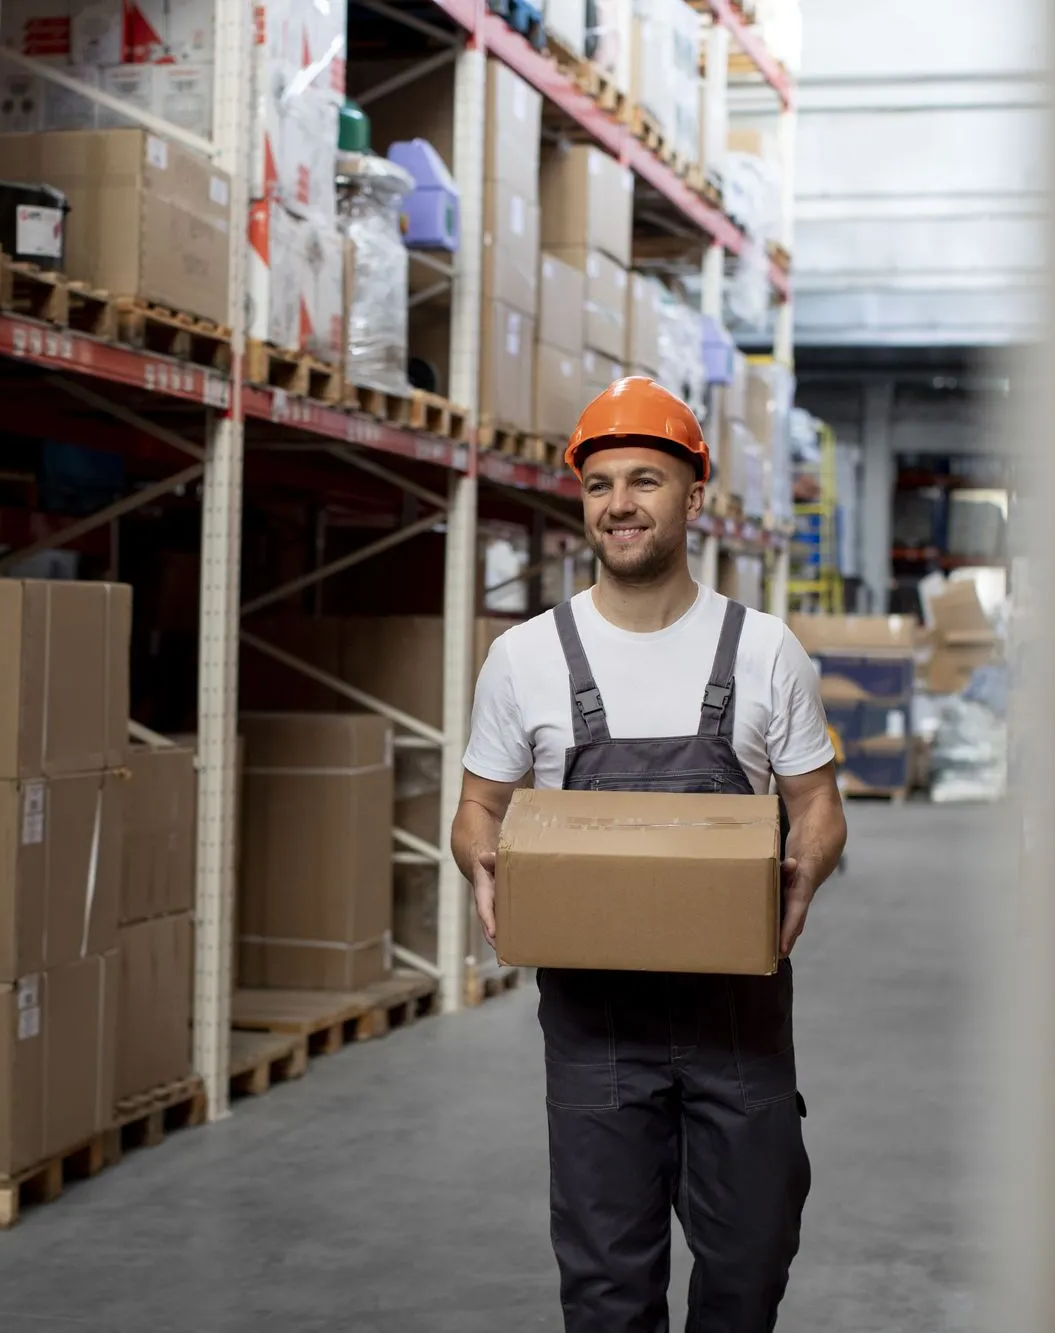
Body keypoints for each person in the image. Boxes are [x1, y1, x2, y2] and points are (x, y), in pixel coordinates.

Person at [450, 376, 848, 1332]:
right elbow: (476, 805)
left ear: (695, 497)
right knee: (606, 1288)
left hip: (739, 1019)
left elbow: (818, 804)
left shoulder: (763, 650)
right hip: (596, 1025)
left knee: (749, 1268)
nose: (619, 504)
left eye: (646, 480)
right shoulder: (527, 657)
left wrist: (805, 870)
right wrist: (484, 864)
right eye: (598, 485)